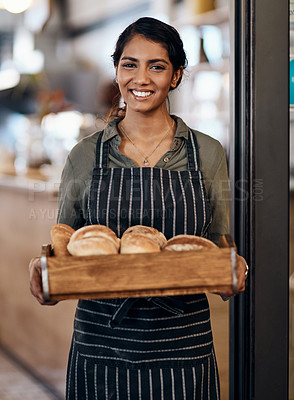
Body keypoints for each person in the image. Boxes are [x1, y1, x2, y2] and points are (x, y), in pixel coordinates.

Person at [29, 16, 247, 399]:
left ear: (176, 75)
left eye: (157, 66)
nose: (141, 78)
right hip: (101, 345)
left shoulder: (206, 153)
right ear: (116, 71)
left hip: (183, 346)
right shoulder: (85, 156)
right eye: (129, 64)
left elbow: (219, 246)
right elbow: (64, 249)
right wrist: (42, 271)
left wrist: (236, 270)